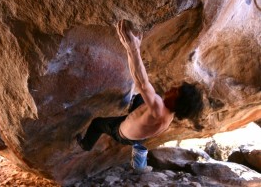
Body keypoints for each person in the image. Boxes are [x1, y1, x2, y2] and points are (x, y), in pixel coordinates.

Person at [76, 20, 203, 172]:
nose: (172, 87)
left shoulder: (158, 107)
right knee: (140, 98)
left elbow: (142, 82)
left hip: (122, 132)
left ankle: (86, 145)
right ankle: (139, 156)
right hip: (140, 135)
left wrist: (132, 48)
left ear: (177, 101)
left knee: (97, 123)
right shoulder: (168, 116)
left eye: (176, 90)